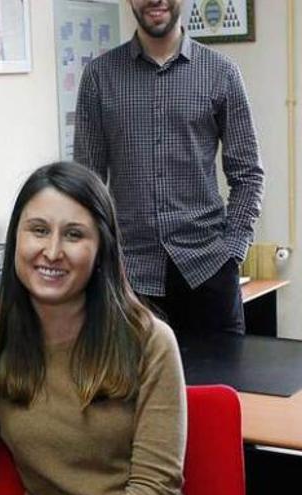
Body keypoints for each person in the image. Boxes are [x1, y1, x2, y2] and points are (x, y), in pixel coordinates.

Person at [0, 162, 194, 495]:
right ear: (16, 238)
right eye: (38, 230)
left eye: (73, 235)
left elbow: (156, 491)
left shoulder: (149, 342)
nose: (51, 251)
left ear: (101, 247)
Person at [73, 0, 264, 338]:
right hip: (129, 280)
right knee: (133, 391)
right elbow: (86, 185)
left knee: (219, 389)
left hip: (208, 273)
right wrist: (97, 260)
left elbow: (248, 174)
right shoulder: (99, 76)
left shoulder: (221, 72)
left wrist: (232, 250)